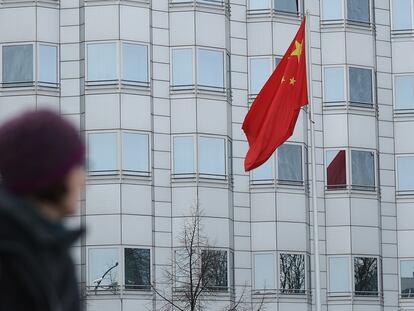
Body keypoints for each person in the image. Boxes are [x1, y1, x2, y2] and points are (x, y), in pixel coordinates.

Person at [0, 110, 85, 311]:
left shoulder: (56, 256)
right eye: (79, 166)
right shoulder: (9, 257)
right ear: (51, 173)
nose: (84, 180)